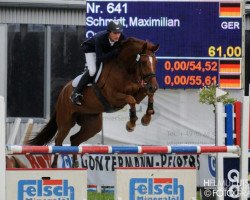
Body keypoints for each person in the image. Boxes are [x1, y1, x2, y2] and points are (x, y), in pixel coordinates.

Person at [70, 20, 126, 106]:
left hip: (106, 51)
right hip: (91, 50)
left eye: (119, 33)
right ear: (109, 32)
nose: (117, 35)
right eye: (115, 33)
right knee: (93, 71)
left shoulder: (122, 38)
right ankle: (76, 92)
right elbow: (100, 58)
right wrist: (115, 52)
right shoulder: (100, 38)